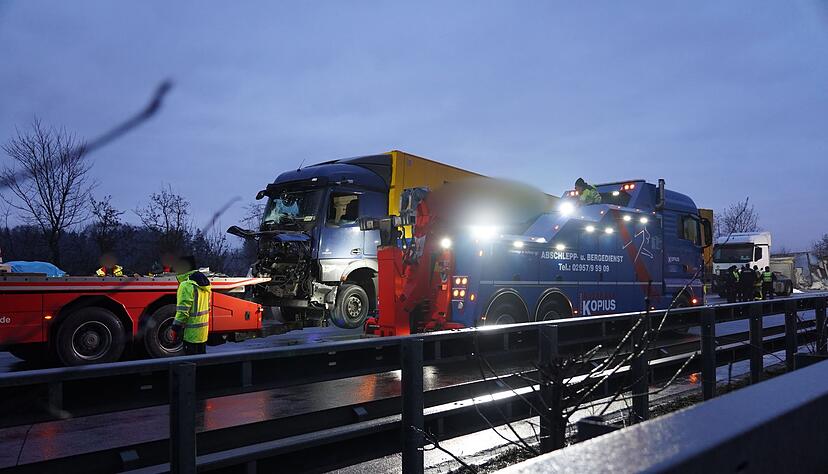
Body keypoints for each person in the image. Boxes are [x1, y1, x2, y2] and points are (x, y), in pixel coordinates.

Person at [170, 256, 212, 355]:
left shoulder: (186, 285)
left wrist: (175, 328)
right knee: (201, 360)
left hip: (190, 335)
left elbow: (183, 312)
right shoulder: (205, 284)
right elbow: (208, 307)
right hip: (202, 334)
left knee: (191, 362)